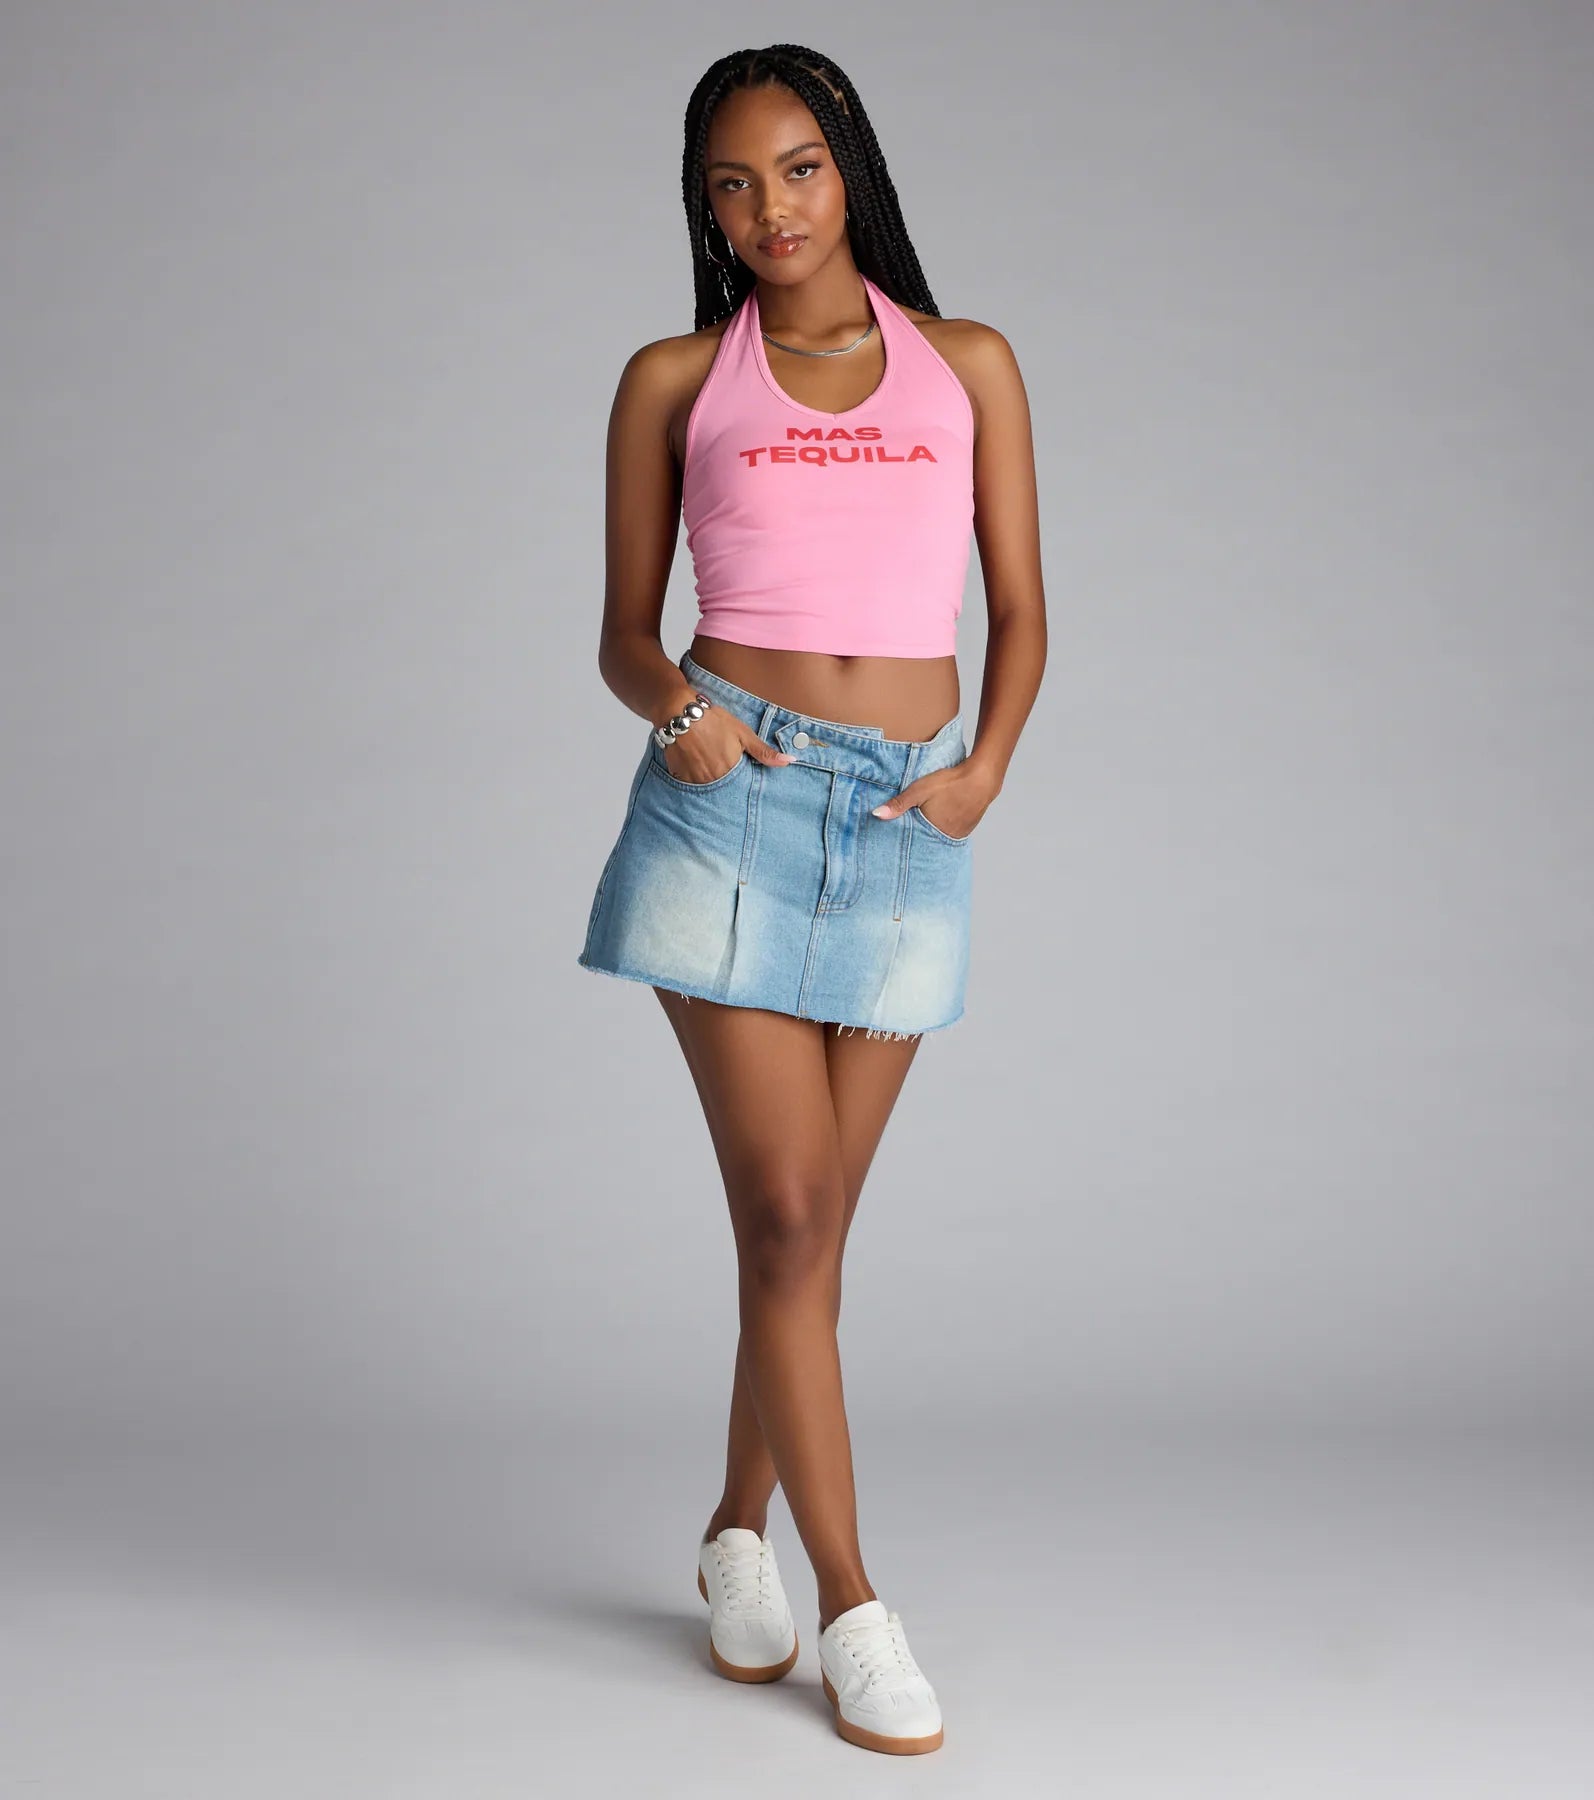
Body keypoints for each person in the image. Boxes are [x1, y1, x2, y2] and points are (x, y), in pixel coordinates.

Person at [576, 44, 1046, 1756]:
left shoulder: (967, 363)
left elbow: (1021, 607)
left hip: (907, 819)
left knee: (812, 1232)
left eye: (795, 168)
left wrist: (984, 770)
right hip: (732, 805)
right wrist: (678, 714)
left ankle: (730, 1532)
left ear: (850, 168)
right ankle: (854, 1607)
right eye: (730, 183)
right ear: (701, 206)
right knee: (785, 1218)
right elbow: (623, 634)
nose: (766, 208)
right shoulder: (671, 380)